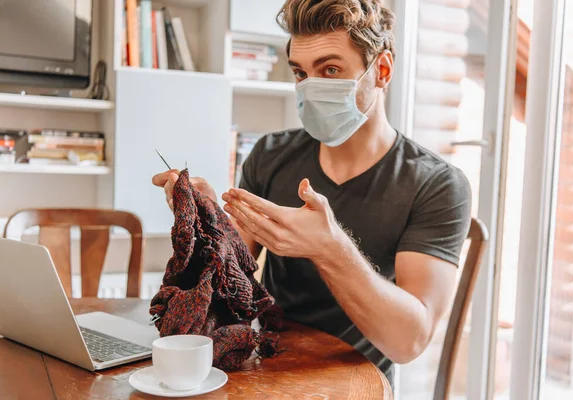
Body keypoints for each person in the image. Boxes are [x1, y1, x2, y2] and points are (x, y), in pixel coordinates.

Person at [152, 0, 472, 388]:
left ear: (382, 70)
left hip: (357, 384)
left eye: (331, 70)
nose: (310, 86)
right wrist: (206, 220)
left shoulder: (436, 184)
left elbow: (409, 340)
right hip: (267, 367)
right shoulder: (270, 156)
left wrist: (330, 247)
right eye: (301, 73)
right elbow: (228, 280)